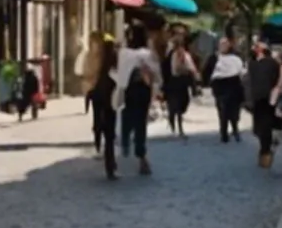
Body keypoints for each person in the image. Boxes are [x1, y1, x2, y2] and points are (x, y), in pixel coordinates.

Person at [112, 25, 162, 177]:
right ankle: (141, 155)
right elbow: (157, 74)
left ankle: (126, 139)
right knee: (141, 121)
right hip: (143, 90)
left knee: (128, 114)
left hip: (129, 89)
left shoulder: (124, 53)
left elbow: (121, 74)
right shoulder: (147, 54)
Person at [245, 38, 282, 169]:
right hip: (256, 98)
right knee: (259, 128)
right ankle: (266, 148)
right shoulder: (252, 63)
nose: (254, 48)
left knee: (265, 126)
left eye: (257, 46)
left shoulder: (271, 63)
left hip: (267, 98)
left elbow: (275, 80)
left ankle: (265, 152)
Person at [82, 34, 120, 175]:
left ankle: (99, 137)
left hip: (97, 93)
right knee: (110, 131)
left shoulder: (97, 59)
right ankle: (110, 163)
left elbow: (88, 73)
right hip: (110, 95)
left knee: (99, 119)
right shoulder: (114, 62)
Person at [209, 37, 248, 143]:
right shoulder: (214, 58)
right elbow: (207, 71)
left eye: (226, 44)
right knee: (223, 111)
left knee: (234, 110)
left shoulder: (236, 58)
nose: (223, 46)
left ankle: (235, 129)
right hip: (220, 87)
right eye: (221, 44)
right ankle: (224, 134)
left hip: (234, 85)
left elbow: (242, 71)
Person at [162, 40, 197, 140]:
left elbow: (192, 68)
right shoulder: (170, 56)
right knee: (174, 108)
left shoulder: (186, 56)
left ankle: (176, 127)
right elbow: (168, 70)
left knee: (182, 105)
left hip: (183, 84)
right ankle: (176, 129)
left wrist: (192, 74)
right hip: (173, 84)